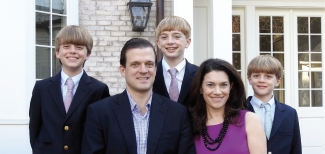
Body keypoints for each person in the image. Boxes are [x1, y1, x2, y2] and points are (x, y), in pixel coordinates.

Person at [81, 38, 195, 154]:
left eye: (149, 64)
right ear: (123, 70)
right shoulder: (100, 113)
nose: (143, 70)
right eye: (135, 64)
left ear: (155, 69)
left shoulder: (177, 114)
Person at [29, 25, 110, 154]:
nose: (72, 51)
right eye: (66, 47)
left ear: (87, 54)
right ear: (57, 53)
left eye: (79, 47)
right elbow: (34, 129)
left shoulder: (99, 90)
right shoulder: (42, 88)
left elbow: (103, 132)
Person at [188, 58, 266, 154]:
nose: (217, 92)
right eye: (210, 85)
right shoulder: (190, 124)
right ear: (200, 88)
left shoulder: (249, 120)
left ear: (231, 87)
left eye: (223, 85)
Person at [247, 55, 302, 154]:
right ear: (249, 79)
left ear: (277, 81)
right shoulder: (238, 111)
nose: (261, 80)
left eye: (268, 76)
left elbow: (296, 148)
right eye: (256, 76)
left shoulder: (290, 113)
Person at [153, 16, 198, 105]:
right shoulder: (150, 73)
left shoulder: (199, 74)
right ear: (158, 43)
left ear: (187, 42)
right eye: (164, 37)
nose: (170, 42)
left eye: (177, 37)